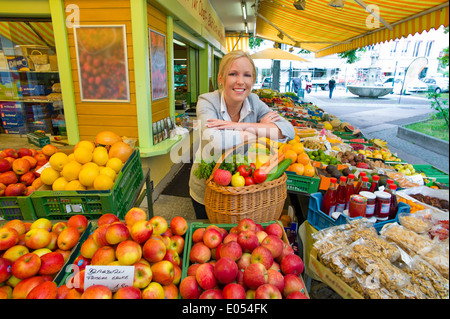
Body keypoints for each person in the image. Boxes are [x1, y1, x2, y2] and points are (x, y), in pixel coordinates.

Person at [188, 50, 296, 219]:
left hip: (240, 188)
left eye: (247, 75)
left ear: (252, 80)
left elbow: (288, 131)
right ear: (221, 78)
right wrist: (261, 129)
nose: (240, 81)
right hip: (206, 190)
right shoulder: (207, 102)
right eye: (233, 74)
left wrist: (240, 125)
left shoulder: (254, 101)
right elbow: (216, 141)